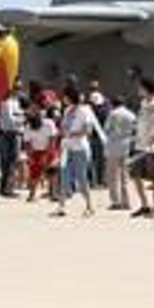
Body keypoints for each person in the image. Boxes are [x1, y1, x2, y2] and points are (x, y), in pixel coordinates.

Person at [54, 87, 101, 218]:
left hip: (80, 148)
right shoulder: (67, 110)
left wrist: (73, 133)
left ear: (70, 97)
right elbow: (63, 127)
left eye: (65, 96)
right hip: (67, 147)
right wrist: (62, 132)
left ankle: (89, 206)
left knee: (82, 178)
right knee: (64, 176)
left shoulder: (84, 110)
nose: (63, 99)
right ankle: (61, 206)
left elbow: (88, 130)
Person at [129, 78, 154, 218]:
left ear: (146, 89)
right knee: (136, 176)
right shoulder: (143, 103)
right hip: (139, 146)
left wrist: (152, 141)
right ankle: (145, 205)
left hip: (152, 148)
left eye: (140, 87)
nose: (138, 90)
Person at [102, 96, 137, 211]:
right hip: (126, 145)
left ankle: (116, 201)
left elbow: (106, 129)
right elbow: (135, 130)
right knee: (125, 175)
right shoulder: (131, 114)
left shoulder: (112, 114)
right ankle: (126, 201)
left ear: (113, 104)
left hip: (113, 146)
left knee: (113, 176)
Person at [24, 105, 59, 203]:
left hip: (49, 148)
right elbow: (27, 143)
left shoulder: (49, 123)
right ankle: (32, 194)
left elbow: (52, 140)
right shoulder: (28, 126)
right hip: (35, 151)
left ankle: (53, 193)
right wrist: (30, 156)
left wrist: (47, 155)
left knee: (52, 171)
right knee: (34, 173)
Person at [0, 89, 24, 198]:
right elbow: (11, 120)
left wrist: (20, 117)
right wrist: (22, 118)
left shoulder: (14, 102)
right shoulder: (7, 104)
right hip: (10, 134)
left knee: (8, 163)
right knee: (10, 162)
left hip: (11, 134)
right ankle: (7, 188)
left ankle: (6, 187)